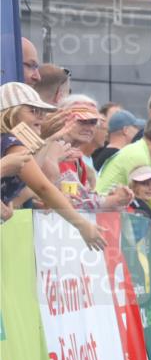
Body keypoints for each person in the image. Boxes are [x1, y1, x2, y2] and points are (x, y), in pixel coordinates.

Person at [0, 82, 105, 249]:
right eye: (33, 110)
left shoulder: (9, 142)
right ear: (10, 114)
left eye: (43, 111)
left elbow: (28, 186)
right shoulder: (12, 143)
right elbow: (43, 187)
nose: (41, 116)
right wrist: (81, 224)